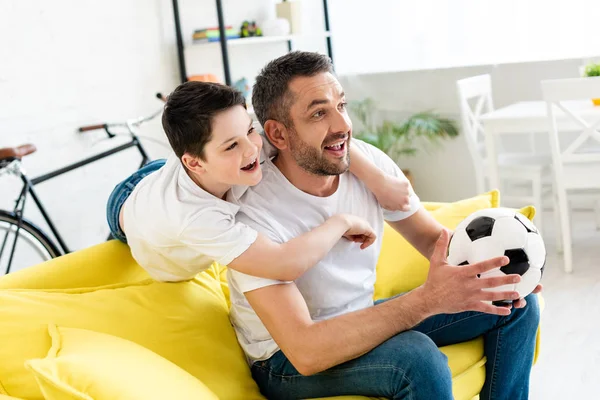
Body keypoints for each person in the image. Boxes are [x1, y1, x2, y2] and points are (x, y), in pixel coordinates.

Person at [227, 51, 542, 400]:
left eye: (341, 106)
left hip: (359, 315)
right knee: (415, 356)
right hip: (285, 359)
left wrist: (503, 272)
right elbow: (306, 350)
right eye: (319, 113)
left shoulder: (365, 163)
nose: (343, 125)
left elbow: (433, 241)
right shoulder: (252, 212)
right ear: (278, 134)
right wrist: (427, 300)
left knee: (512, 302)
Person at [106, 81, 412, 282]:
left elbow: (313, 140)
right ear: (195, 162)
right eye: (231, 146)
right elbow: (282, 265)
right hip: (129, 203)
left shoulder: (243, 145)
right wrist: (341, 222)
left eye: (249, 130)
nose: (254, 147)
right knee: (122, 237)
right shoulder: (196, 218)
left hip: (169, 172)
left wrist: (378, 180)